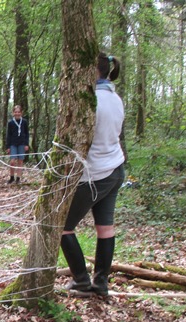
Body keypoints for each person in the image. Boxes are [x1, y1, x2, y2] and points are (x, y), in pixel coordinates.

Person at [60, 52, 125, 297]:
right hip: (115, 169)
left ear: (90, 71)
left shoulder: (90, 100)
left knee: (62, 226)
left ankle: (82, 281)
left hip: (95, 174)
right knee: (105, 228)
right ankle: (100, 283)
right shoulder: (115, 98)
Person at [5, 105, 29, 184]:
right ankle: (12, 177)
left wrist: (26, 144)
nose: (17, 113)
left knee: (20, 161)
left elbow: (27, 133)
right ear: (13, 113)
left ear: (21, 113)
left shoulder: (24, 122)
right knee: (12, 161)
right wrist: (8, 146)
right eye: (15, 112)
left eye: (19, 112)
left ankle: (18, 178)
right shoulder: (10, 122)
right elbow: (8, 135)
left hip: (21, 143)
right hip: (13, 144)